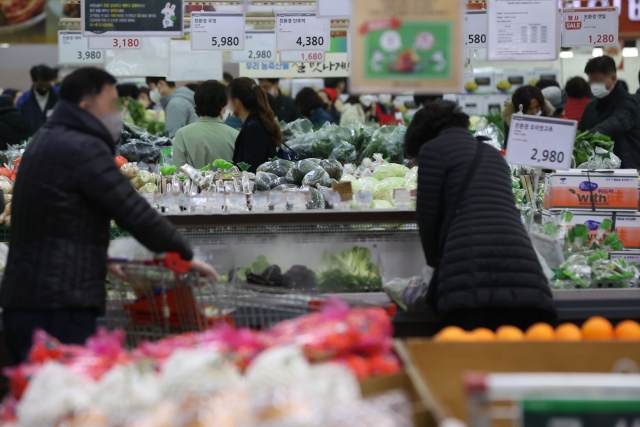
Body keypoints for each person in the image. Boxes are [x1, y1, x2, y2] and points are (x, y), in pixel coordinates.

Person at [0, 67, 217, 364]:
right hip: (58, 307)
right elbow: (131, 209)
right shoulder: (82, 147)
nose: (118, 113)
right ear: (86, 106)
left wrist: (99, 258)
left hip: (29, 299)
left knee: (42, 397)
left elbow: (52, 220)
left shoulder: (47, 139)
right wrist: (184, 253)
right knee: (67, 399)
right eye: (112, 105)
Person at [405, 102, 555, 330]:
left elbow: (428, 218)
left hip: (468, 268)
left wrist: (434, 265)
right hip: (523, 267)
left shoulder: (432, 150)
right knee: (515, 355)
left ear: (421, 136)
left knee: (471, 355)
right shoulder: (491, 153)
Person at [579, 56, 640, 169]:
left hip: (626, 170)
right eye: (591, 82)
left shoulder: (630, 103)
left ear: (613, 78)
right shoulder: (590, 107)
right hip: (596, 171)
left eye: (598, 81)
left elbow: (614, 125)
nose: (594, 87)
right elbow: (581, 130)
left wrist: (583, 138)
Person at [172, 80, 238, 168]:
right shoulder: (235, 135)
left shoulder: (182, 134)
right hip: (228, 181)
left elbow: (178, 172)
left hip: (193, 181)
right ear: (223, 106)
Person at [228, 78, 282, 173]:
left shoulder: (254, 127)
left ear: (237, 102)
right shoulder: (255, 123)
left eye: (228, 99)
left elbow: (250, 168)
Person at [17, 65, 58, 133]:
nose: (44, 89)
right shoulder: (23, 101)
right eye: (40, 85)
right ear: (33, 81)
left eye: (47, 85)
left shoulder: (60, 97)